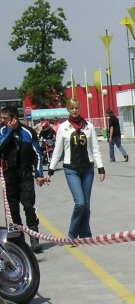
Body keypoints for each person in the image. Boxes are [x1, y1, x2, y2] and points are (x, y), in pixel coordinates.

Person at [45, 99, 105, 240]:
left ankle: (85, 234)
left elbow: (95, 149)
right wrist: (50, 171)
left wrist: (101, 168)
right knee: (80, 203)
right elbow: (57, 151)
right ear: (68, 109)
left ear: (80, 108)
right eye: (71, 108)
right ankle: (72, 235)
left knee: (87, 205)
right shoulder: (63, 128)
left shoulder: (89, 126)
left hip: (87, 169)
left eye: (77, 108)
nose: (74, 110)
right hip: (71, 170)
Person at [0, 105, 45, 252]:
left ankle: (33, 237)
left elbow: (38, 154)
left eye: (4, 118)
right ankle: (19, 240)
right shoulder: (2, 131)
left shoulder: (28, 132)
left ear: (13, 118)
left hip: (25, 176)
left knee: (28, 205)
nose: (2, 120)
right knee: (13, 210)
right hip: (9, 176)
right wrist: (10, 132)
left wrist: (38, 174)